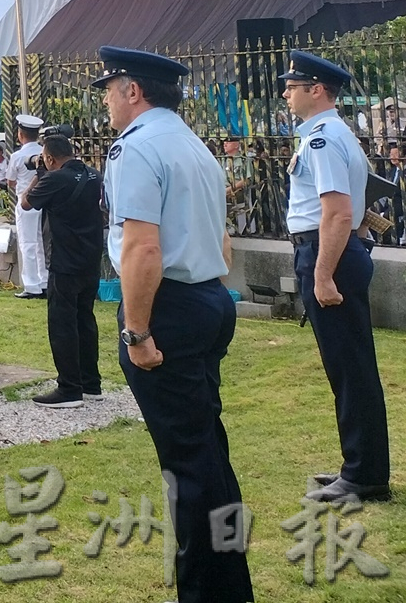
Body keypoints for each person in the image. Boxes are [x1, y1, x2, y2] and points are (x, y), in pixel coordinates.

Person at [98, 46, 253, 603]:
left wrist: (137, 332)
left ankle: (211, 592)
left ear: (132, 91)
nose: (107, 101)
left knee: (190, 466)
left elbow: (142, 249)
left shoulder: (136, 149)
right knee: (207, 451)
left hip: (171, 310)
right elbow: (224, 243)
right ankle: (230, 584)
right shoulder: (193, 146)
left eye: (110, 89)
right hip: (208, 298)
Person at [279, 50, 392, 503]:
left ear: (316, 89)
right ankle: (360, 466)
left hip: (329, 255)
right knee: (350, 367)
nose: (286, 93)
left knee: (350, 369)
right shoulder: (331, 134)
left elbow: (338, 213)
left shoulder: (323, 137)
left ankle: (364, 476)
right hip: (337, 253)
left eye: (293, 86)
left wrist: (324, 275)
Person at [20, 127, 104, 407]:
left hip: (64, 260)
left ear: (50, 158)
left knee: (62, 324)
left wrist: (40, 175)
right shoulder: (94, 175)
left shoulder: (54, 179)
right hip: (91, 258)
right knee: (85, 320)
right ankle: (91, 382)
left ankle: (69, 388)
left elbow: (26, 203)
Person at [5, 114, 46, 299]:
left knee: (27, 243)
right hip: (45, 199)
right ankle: (43, 281)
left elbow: (10, 181)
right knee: (41, 242)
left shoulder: (17, 156)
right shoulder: (45, 151)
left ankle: (31, 285)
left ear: (20, 134)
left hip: (26, 200)